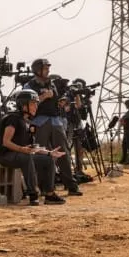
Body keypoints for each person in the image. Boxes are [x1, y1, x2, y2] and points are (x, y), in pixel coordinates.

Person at [0, 89, 66, 205]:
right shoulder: (12, 118)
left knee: (48, 160)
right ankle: (33, 194)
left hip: (21, 155)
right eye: (33, 103)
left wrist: (49, 153)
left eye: (37, 104)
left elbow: (32, 148)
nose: (36, 107)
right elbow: (6, 142)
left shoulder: (28, 122)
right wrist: (22, 149)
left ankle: (49, 194)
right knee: (26, 157)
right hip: (5, 156)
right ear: (23, 105)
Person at [23, 59, 82, 196]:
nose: (48, 70)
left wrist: (61, 101)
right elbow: (27, 102)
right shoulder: (30, 84)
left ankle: (71, 185)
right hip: (40, 121)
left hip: (56, 121)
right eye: (45, 68)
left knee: (64, 153)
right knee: (42, 154)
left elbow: (55, 98)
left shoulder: (51, 83)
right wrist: (43, 96)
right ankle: (44, 188)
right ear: (38, 70)